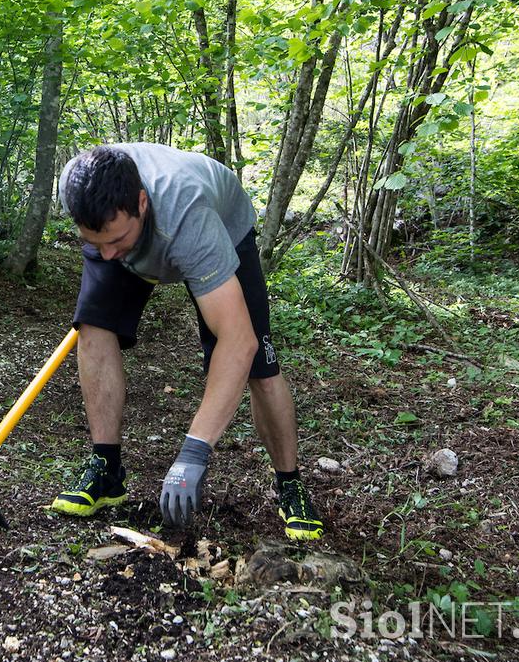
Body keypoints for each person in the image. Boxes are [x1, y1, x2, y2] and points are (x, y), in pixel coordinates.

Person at [48, 143, 323, 540]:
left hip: (220, 229)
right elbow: (107, 244)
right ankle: (107, 470)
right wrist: (110, 243)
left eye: (115, 239)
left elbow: (238, 341)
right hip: (148, 232)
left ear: (141, 203)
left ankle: (290, 483)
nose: (106, 254)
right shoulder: (76, 187)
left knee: (260, 367)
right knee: (93, 328)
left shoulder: (189, 217)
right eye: (94, 240)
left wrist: (194, 452)